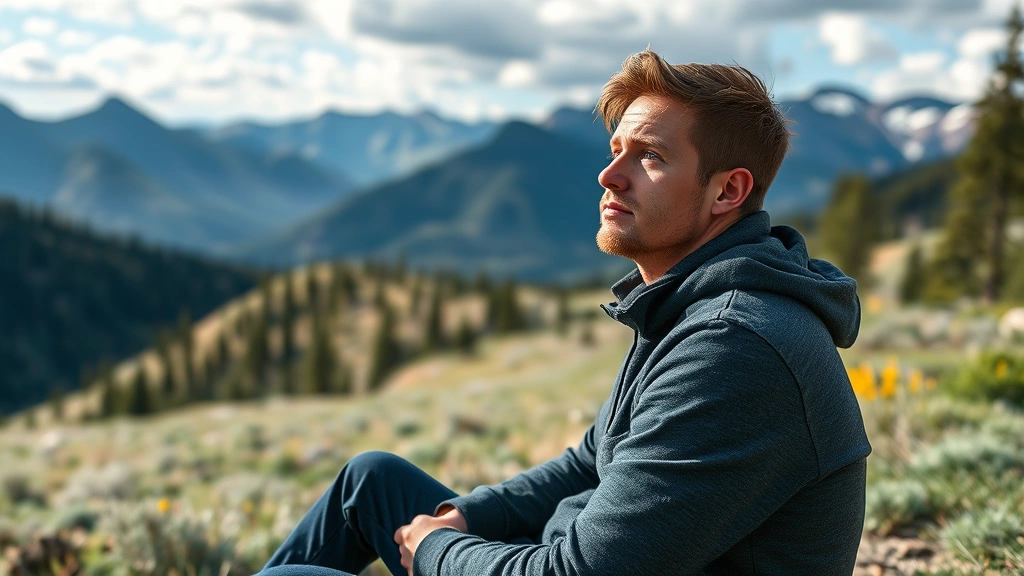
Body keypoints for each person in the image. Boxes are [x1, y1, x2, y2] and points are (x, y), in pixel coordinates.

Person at [256, 49, 871, 576]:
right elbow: (589, 460)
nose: (610, 176)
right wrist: (474, 515)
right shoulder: (689, 307)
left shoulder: (734, 346)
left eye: (649, 157)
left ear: (727, 192)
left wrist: (439, 550)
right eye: (615, 151)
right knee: (370, 481)